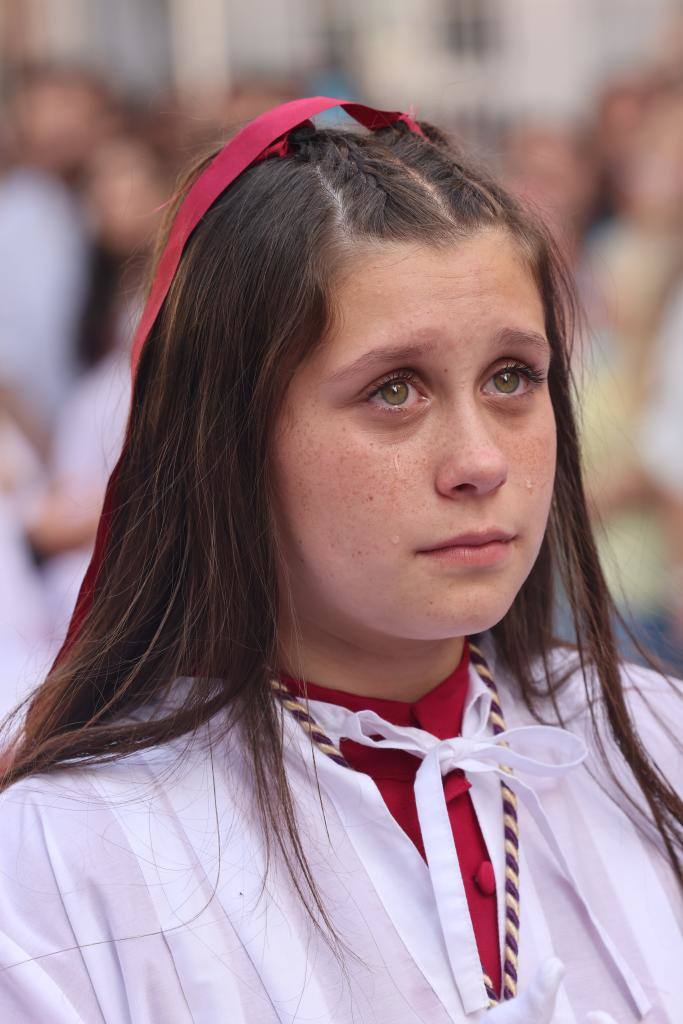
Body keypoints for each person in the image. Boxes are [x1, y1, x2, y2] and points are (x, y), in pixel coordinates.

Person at [0, 97, 680, 1023]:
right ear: (230, 439)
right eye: (393, 390)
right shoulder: (71, 856)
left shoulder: (648, 739)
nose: (481, 460)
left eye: (511, 378)